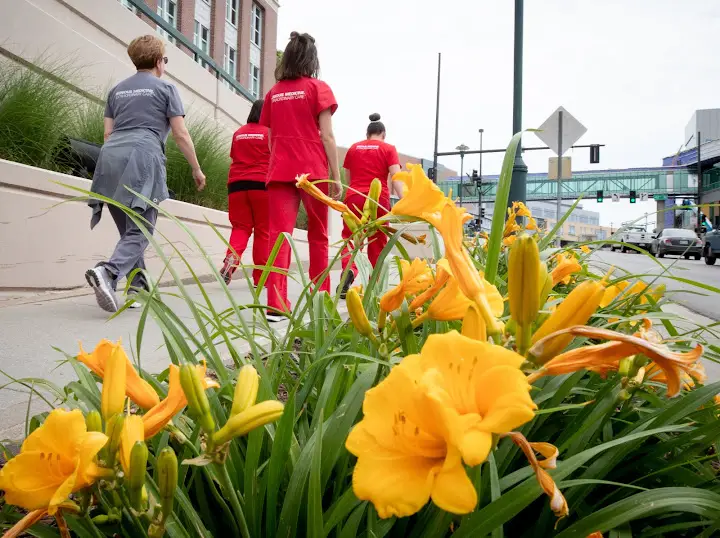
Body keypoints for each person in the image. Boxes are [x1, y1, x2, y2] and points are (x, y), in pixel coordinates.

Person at [86, 35, 205, 313]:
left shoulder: (117, 90)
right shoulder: (166, 89)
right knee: (142, 229)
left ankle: (138, 290)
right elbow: (180, 133)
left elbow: (107, 133)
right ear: (157, 62)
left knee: (130, 230)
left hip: (110, 157)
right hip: (142, 154)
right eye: (164, 59)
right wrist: (196, 169)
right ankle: (109, 272)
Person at [260, 31, 341, 320]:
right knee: (319, 236)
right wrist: (336, 175)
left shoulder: (274, 93)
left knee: (278, 237)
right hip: (314, 172)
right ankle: (320, 301)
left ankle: (275, 304)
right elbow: (328, 137)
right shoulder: (319, 88)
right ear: (312, 59)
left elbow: (271, 137)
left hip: (280, 170)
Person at [338, 113, 403, 297]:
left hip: (354, 196)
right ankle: (375, 284)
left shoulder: (353, 148)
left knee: (351, 237)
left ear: (367, 134)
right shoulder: (388, 148)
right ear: (383, 134)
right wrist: (405, 201)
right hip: (377, 199)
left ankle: (348, 271)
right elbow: (396, 177)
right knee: (378, 241)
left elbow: (349, 179)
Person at [219, 99, 270, 286]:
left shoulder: (238, 133)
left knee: (240, 227)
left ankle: (230, 261)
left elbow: (234, 157)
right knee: (264, 231)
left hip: (237, 185)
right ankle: (261, 278)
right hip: (261, 185)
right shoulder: (269, 133)